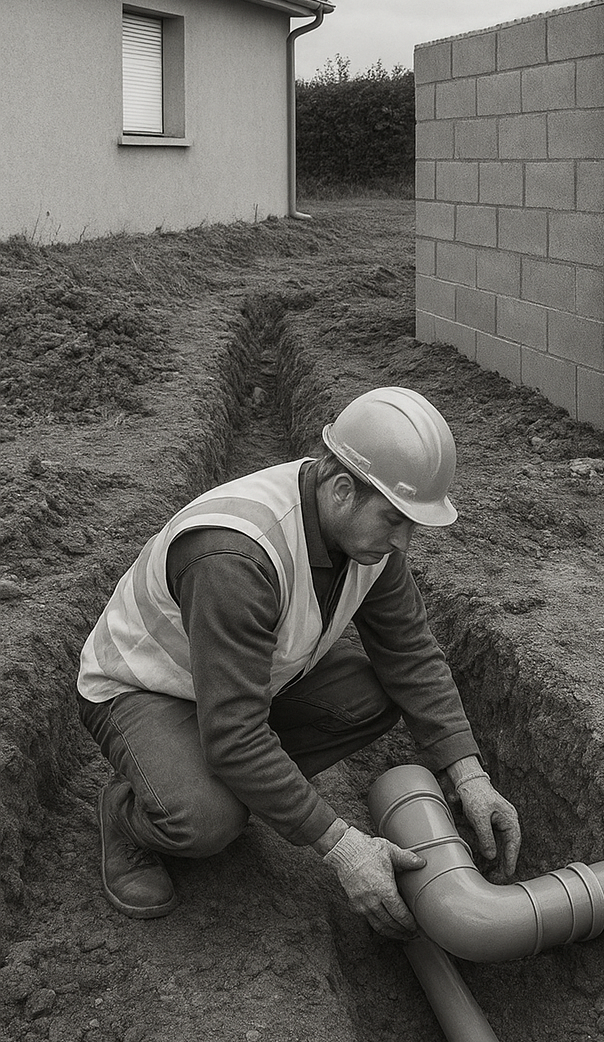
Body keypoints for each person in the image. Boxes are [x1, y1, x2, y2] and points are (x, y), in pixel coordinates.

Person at [76, 386, 521, 939]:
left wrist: (468, 772)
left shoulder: (362, 536)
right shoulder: (234, 559)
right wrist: (341, 845)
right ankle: (127, 817)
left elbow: (409, 652)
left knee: (378, 693)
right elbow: (235, 734)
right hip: (144, 688)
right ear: (340, 489)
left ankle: (250, 787)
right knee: (206, 822)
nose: (404, 541)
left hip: (238, 685)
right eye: (395, 520)